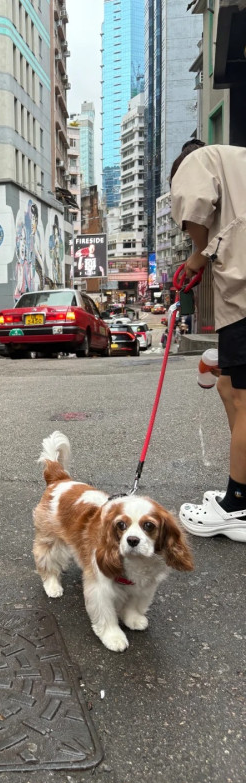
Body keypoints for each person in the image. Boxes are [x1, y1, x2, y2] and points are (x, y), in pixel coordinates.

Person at [170, 139, 246, 542]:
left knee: (242, 395)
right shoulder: (237, 163)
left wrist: (196, 255)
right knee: (227, 383)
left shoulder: (198, 160)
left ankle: (238, 505)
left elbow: (195, 206)